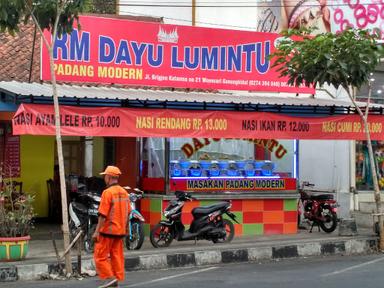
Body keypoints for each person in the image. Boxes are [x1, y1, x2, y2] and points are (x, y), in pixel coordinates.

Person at [93, 166, 130, 288]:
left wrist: (97, 232)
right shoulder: (124, 192)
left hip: (107, 231)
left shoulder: (107, 193)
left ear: (109, 177)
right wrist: (126, 230)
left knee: (100, 257)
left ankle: (110, 278)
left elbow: (102, 214)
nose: (104, 178)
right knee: (117, 257)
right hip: (119, 232)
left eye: (105, 176)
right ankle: (116, 280)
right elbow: (128, 212)